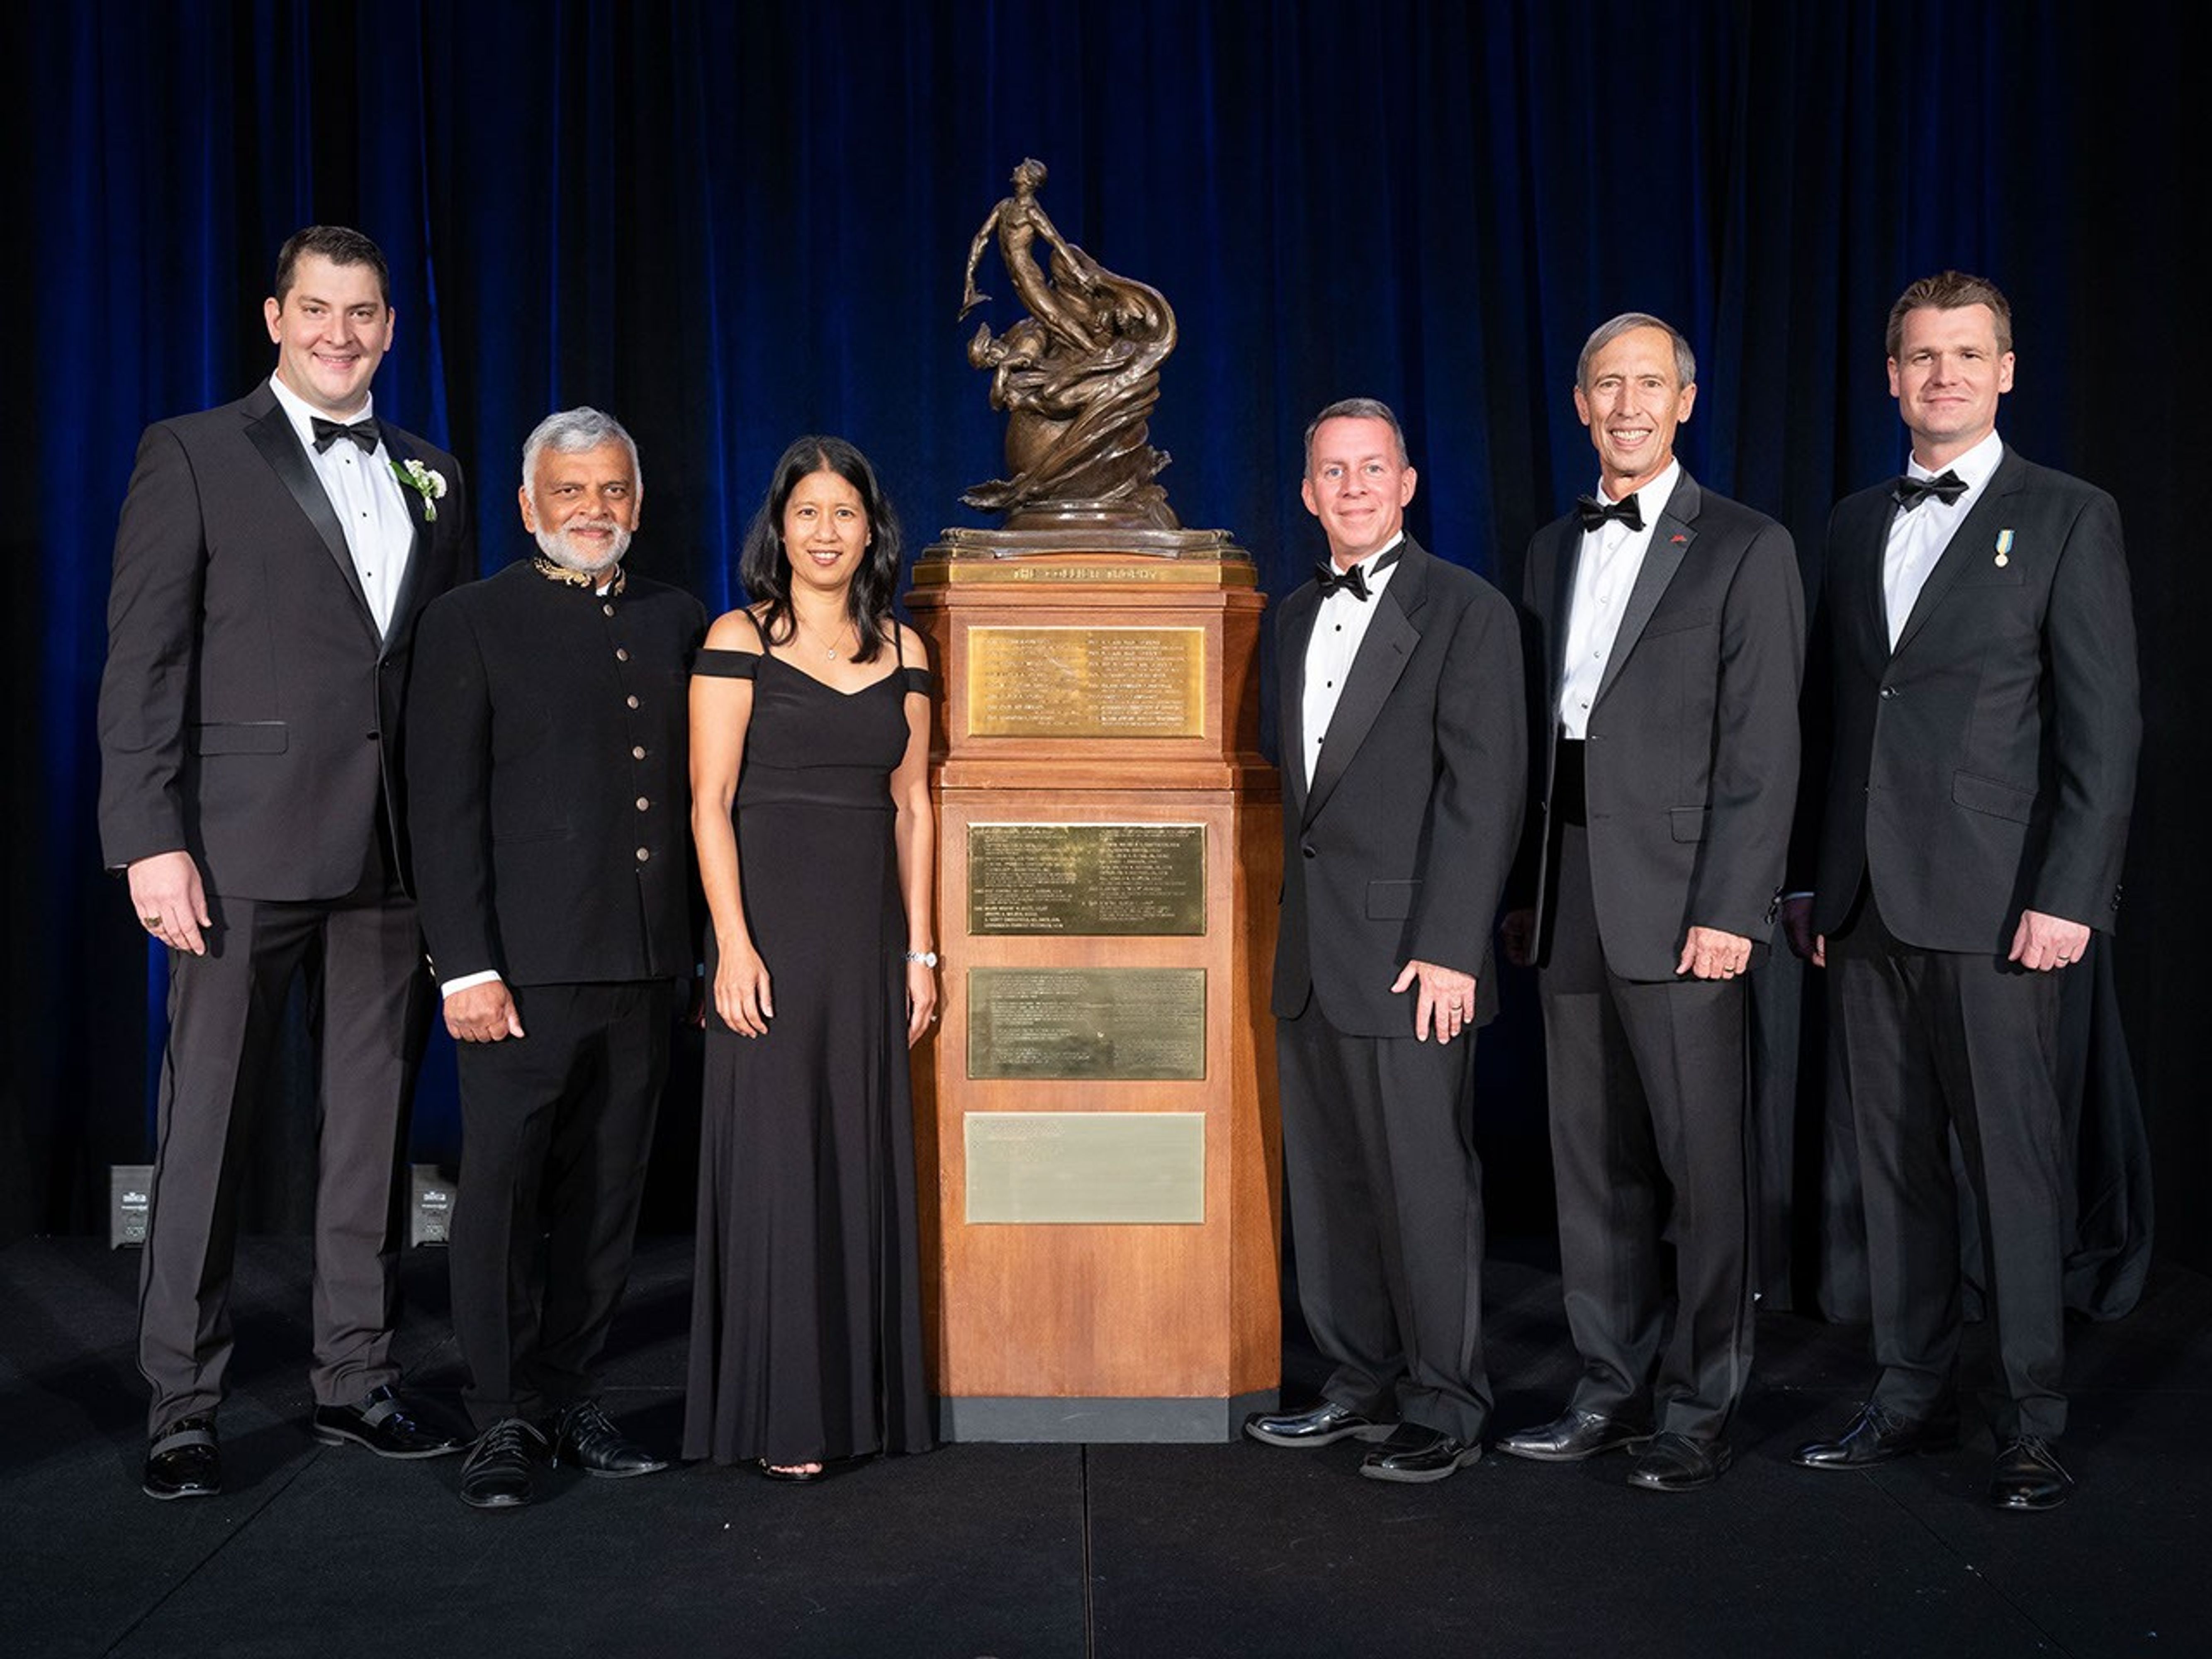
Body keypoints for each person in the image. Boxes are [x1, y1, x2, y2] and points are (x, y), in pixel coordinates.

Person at [98, 225, 472, 1500]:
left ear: (387, 326)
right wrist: (149, 837)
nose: (338, 332)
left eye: (361, 313)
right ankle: (184, 1403)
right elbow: (142, 662)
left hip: (390, 852)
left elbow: (440, 683)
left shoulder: (436, 471)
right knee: (203, 1128)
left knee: (370, 1130)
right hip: (234, 847)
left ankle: (353, 1378)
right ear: (274, 315)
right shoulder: (192, 452)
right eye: (316, 309)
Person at [1785, 272, 2140, 1511]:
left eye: (1964, 353)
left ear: (2001, 372)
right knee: (1890, 1168)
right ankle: (1905, 1391)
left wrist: (2069, 893)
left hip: (2001, 909)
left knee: (2013, 1167)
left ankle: (2029, 1417)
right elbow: (1830, 718)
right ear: (1889, 376)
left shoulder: (2062, 515)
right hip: (1863, 905)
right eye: (1918, 355)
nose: (1940, 374)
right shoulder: (1844, 523)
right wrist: (1806, 885)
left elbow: (2103, 733)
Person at [1497, 315, 1803, 1491]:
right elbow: (1545, 739)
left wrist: (1731, 905)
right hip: (1568, 890)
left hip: (1684, 902)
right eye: (1604, 385)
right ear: (1578, 404)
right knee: (1589, 1162)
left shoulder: (1743, 546)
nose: (1625, 405)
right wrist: (1527, 893)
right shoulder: (1545, 550)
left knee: (1699, 1169)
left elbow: (1761, 749)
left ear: (1684, 400)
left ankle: (1696, 1408)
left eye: (1647, 384)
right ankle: (1606, 1386)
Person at [406, 409, 704, 1508]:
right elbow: (440, 814)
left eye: (613, 491)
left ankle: (571, 1394)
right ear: (529, 504)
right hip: (517, 975)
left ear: (637, 503)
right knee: (500, 1195)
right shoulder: (470, 621)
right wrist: (465, 967)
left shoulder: (680, 620)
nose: (594, 511)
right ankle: (498, 1419)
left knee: (606, 1198)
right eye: (571, 492)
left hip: (644, 964)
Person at [1243, 399, 1525, 1484]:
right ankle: (1354, 1385)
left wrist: (1453, 947)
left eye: (1373, 469)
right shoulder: (1285, 619)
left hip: (1415, 958)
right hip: (1311, 958)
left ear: (1407, 485)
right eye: (1332, 471)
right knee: (1329, 1188)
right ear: (1308, 493)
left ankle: (1446, 1404)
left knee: (1423, 1187)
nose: (1353, 487)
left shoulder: (1466, 610)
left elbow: (1483, 791)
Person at [684, 436, 938, 1479]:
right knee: (783, 1163)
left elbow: (913, 803)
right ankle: (787, 1415)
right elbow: (707, 804)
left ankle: (862, 1405)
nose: (826, 532)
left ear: (870, 528)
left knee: (857, 1151)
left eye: (844, 513)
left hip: (868, 937)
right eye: (807, 514)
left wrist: (921, 949)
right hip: (772, 935)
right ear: (778, 530)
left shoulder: (908, 650)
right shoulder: (735, 638)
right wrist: (731, 947)